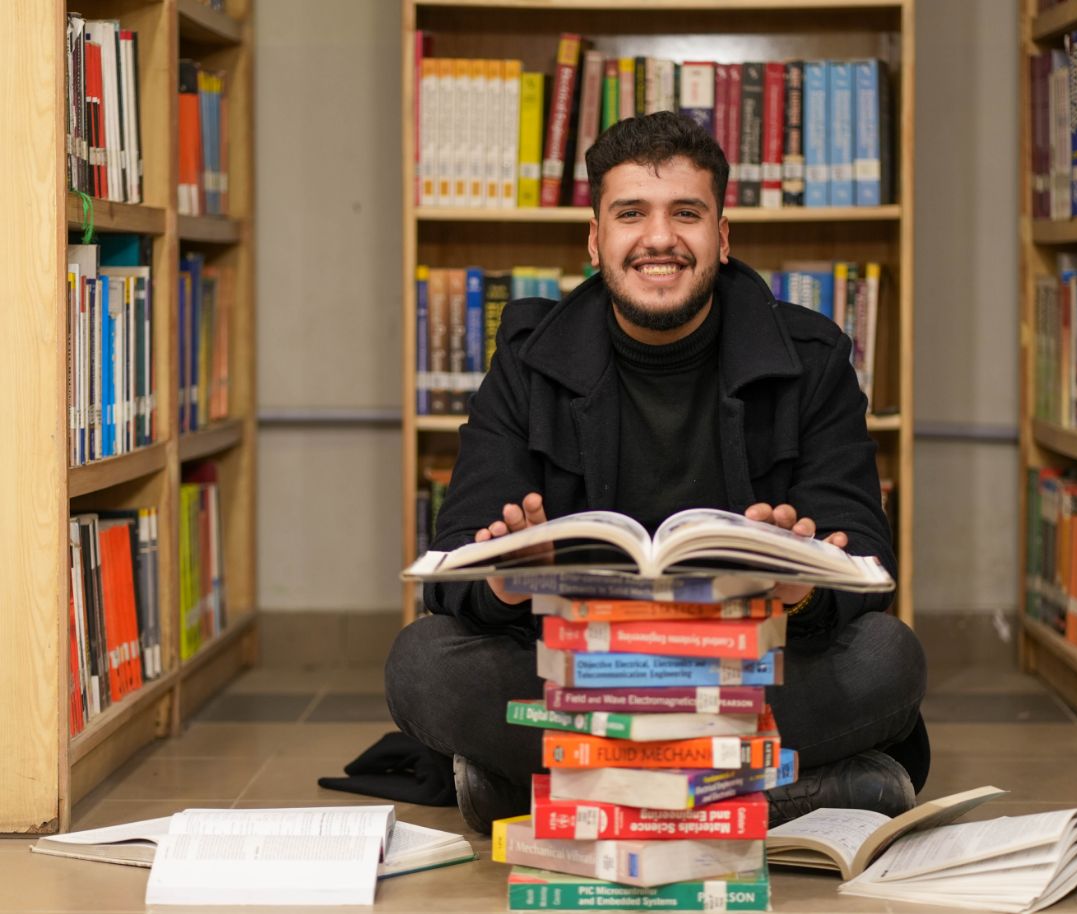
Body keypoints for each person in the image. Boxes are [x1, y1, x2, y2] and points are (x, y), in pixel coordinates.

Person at [385, 111, 928, 834]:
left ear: (723, 237)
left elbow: (865, 555)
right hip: (578, 672)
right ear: (595, 238)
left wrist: (804, 591)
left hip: (745, 672)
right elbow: (451, 569)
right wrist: (500, 582)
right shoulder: (528, 357)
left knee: (889, 660)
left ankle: (555, 793)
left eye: (687, 213)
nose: (660, 238)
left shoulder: (811, 357)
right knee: (423, 665)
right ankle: (762, 796)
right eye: (631, 213)